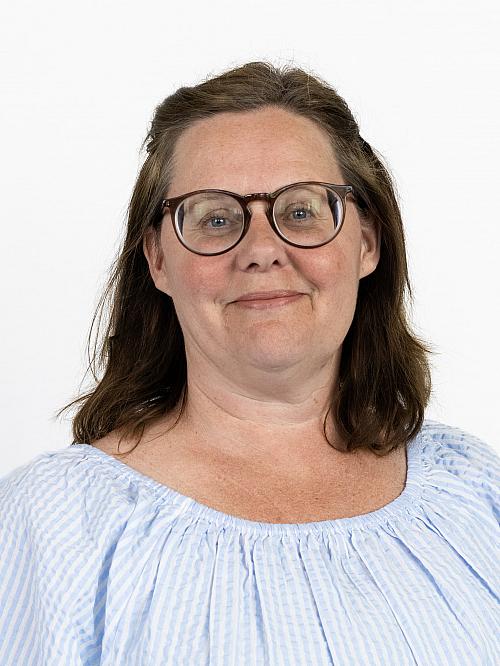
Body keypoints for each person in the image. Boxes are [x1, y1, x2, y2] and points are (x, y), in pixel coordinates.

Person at [0, 61, 498, 666]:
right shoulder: (55, 522)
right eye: (215, 218)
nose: (262, 250)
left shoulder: (475, 489)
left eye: (301, 212)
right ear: (157, 259)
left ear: (367, 242)